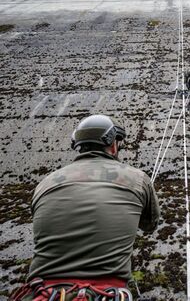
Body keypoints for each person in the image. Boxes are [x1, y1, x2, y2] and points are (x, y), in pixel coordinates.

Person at [11, 114, 160, 301]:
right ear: (113, 145)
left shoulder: (45, 183)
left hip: (43, 293)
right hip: (106, 294)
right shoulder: (138, 178)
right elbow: (150, 225)